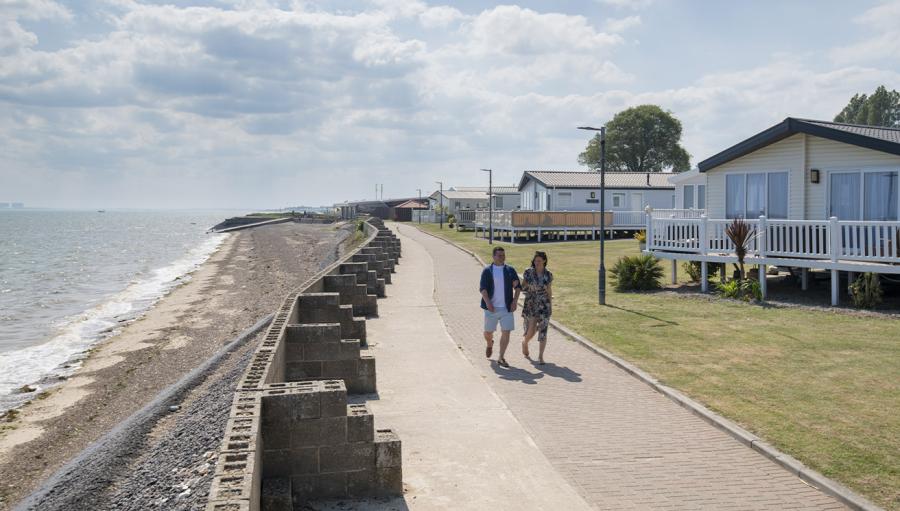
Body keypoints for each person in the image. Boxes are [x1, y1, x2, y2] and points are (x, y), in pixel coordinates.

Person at [479, 246, 521, 368]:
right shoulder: (487, 271)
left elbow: (518, 287)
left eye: (503, 255)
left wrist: (515, 301)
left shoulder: (510, 270)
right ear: (493, 256)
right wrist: (488, 303)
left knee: (506, 332)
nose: (502, 257)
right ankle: (489, 343)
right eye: (499, 255)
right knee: (488, 332)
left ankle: (501, 357)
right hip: (491, 308)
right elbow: (483, 288)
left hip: (506, 308)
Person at [521, 251, 553, 365]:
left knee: (543, 330)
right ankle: (525, 342)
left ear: (544, 261)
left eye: (539, 261)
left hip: (544, 304)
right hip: (531, 303)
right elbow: (522, 286)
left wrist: (550, 305)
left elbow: (549, 290)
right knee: (532, 329)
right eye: (535, 260)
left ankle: (540, 356)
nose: (536, 262)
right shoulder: (528, 272)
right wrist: (527, 287)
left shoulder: (548, 274)